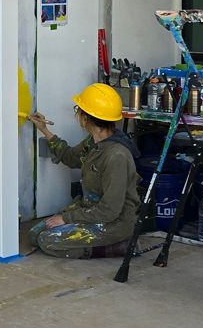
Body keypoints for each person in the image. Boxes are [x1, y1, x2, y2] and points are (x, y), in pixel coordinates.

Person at [26, 83, 141, 259]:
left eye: (78, 110)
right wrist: (44, 129)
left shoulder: (116, 156)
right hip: (89, 209)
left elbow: (110, 211)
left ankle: (121, 245)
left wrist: (67, 219)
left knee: (48, 241)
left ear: (86, 118)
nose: (77, 114)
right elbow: (71, 157)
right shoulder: (94, 142)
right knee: (34, 235)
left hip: (114, 222)